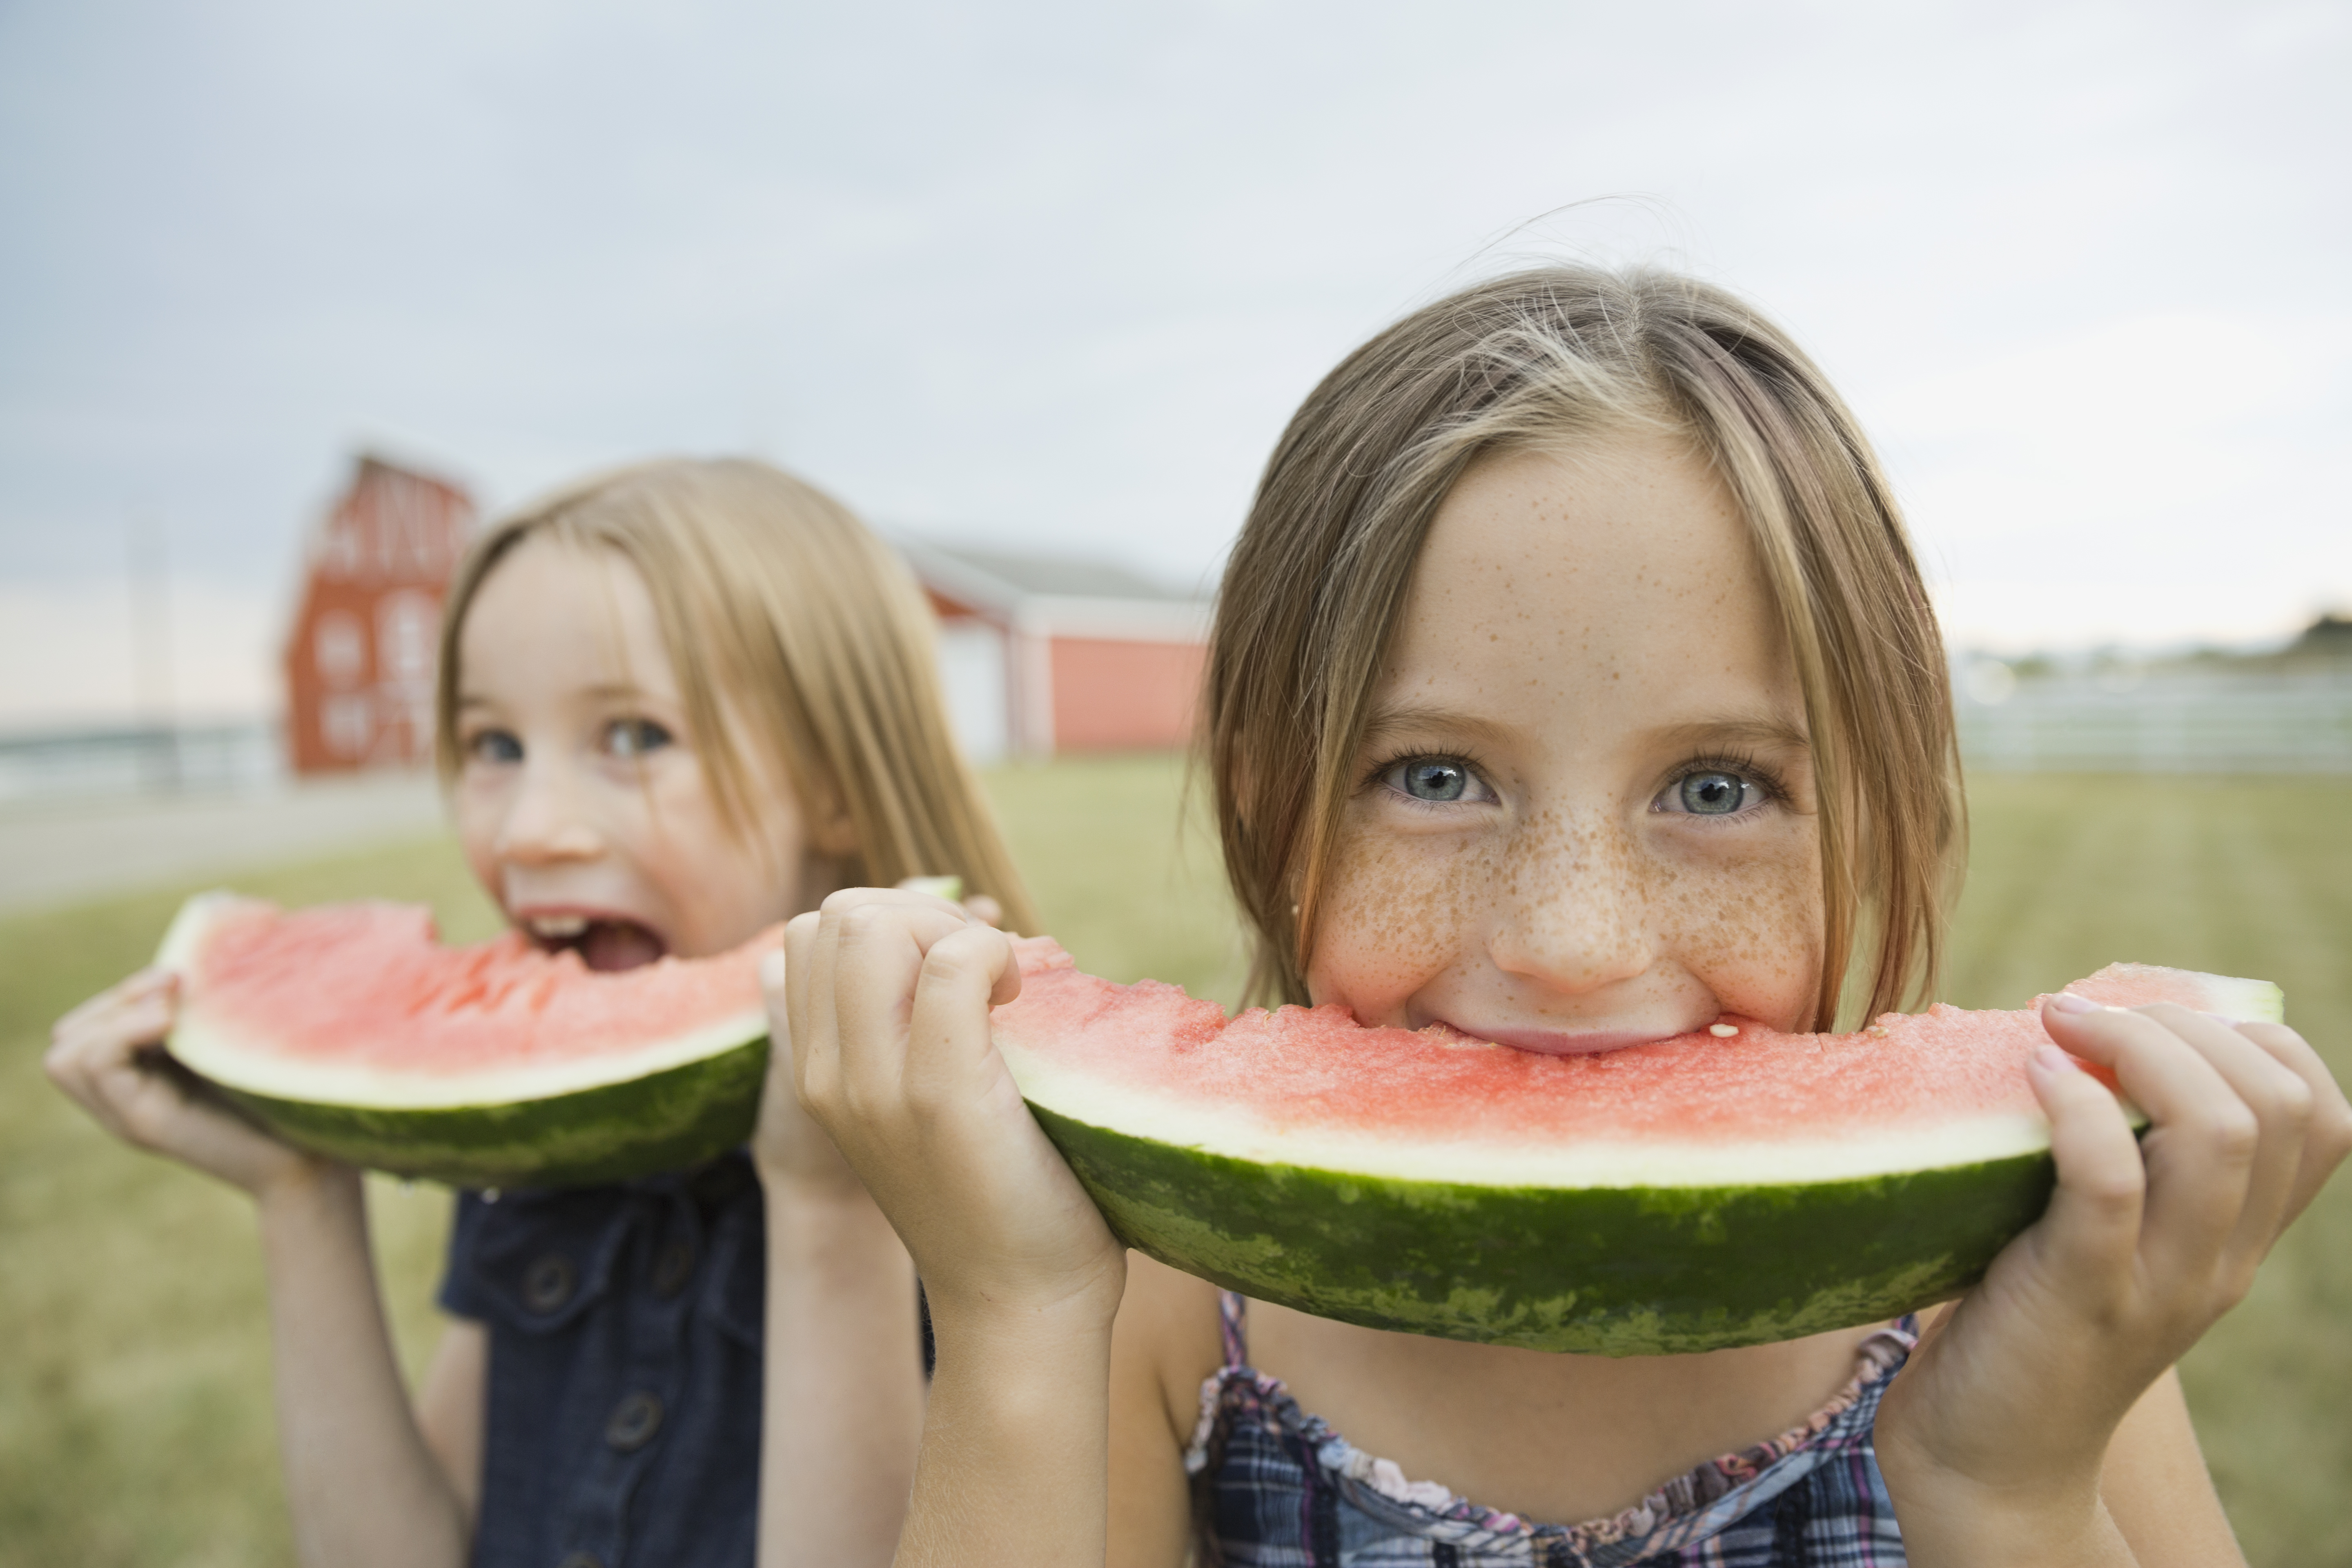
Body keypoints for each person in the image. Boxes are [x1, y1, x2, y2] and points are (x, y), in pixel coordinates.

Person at [776, 268, 2352, 1565]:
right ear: (1275, 804)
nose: (1574, 937)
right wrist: (1012, 1311)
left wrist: (2009, 1488)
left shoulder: (2028, 1297)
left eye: (1719, 789)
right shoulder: (1167, 1315)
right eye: (1439, 773)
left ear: (1886, 822)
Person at [47, 458, 1035, 1568]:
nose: (527, 828)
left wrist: (829, 1201)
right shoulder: (538, 1150)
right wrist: (300, 1193)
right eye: (493, 747)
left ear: (837, 783)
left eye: (633, 737)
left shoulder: (976, 1196)